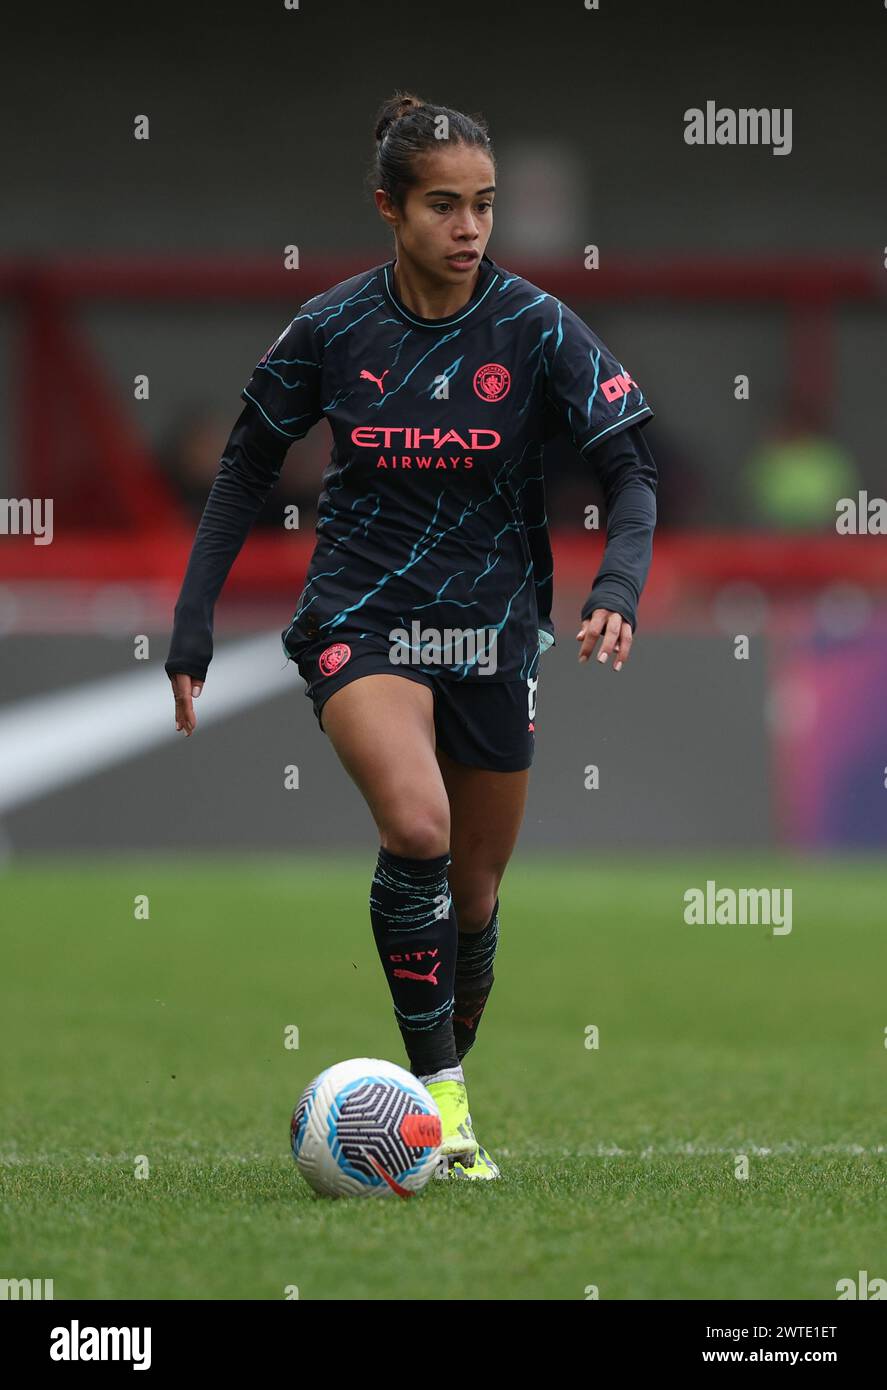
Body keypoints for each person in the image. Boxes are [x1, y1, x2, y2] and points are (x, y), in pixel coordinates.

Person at [165, 91, 658, 1181]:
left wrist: (616, 583)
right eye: (443, 205)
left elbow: (630, 464)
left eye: (483, 204)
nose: (469, 226)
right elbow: (246, 462)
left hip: (491, 633)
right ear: (388, 207)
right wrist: (193, 620)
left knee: (473, 904)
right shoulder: (334, 327)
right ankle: (444, 1109)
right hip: (360, 617)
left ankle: (437, 1076)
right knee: (417, 824)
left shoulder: (531, 325)